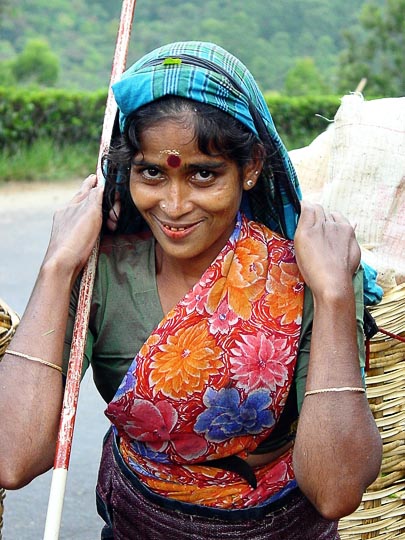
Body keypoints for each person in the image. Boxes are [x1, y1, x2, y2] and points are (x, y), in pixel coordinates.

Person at [0, 41, 382, 539]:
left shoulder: (308, 274)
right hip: (139, 522)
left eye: (204, 174)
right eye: (151, 173)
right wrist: (56, 266)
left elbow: (336, 489)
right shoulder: (99, 274)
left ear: (251, 167)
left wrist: (333, 296)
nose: (175, 205)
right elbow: (11, 458)